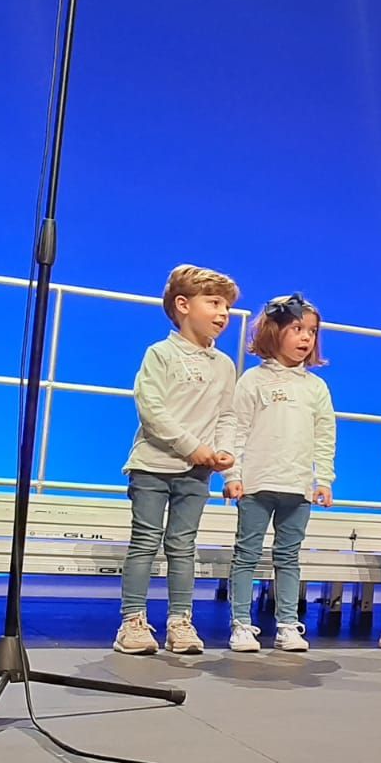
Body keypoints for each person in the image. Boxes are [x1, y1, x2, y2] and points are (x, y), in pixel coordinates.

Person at [113, 264, 239, 656]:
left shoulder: (225, 365)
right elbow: (151, 409)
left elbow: (226, 416)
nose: (223, 314)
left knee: (184, 546)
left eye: (227, 307)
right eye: (214, 303)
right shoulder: (161, 353)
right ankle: (132, 620)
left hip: (196, 474)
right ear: (183, 305)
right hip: (153, 465)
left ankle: (179, 621)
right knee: (146, 541)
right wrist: (189, 445)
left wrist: (226, 458)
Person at [222, 293, 336, 653]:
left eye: (312, 331)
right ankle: (241, 624)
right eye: (297, 329)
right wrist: (232, 474)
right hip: (257, 483)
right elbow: (236, 430)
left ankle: (287, 624)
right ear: (274, 331)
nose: (306, 338)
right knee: (247, 554)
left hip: (297, 485)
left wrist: (325, 479)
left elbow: (324, 435)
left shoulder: (316, 387)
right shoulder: (253, 381)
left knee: (289, 556)